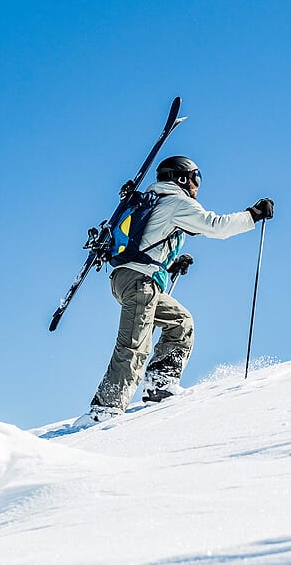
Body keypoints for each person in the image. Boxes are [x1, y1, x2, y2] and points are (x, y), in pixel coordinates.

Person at [89, 156, 274, 421]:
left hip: (129, 278)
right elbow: (215, 226)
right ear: (181, 178)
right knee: (134, 345)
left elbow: (149, 241)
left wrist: (170, 264)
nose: (197, 186)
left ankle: (160, 385)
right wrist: (252, 215)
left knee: (180, 322)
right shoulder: (176, 201)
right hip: (140, 282)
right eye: (195, 179)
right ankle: (105, 408)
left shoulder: (156, 201)